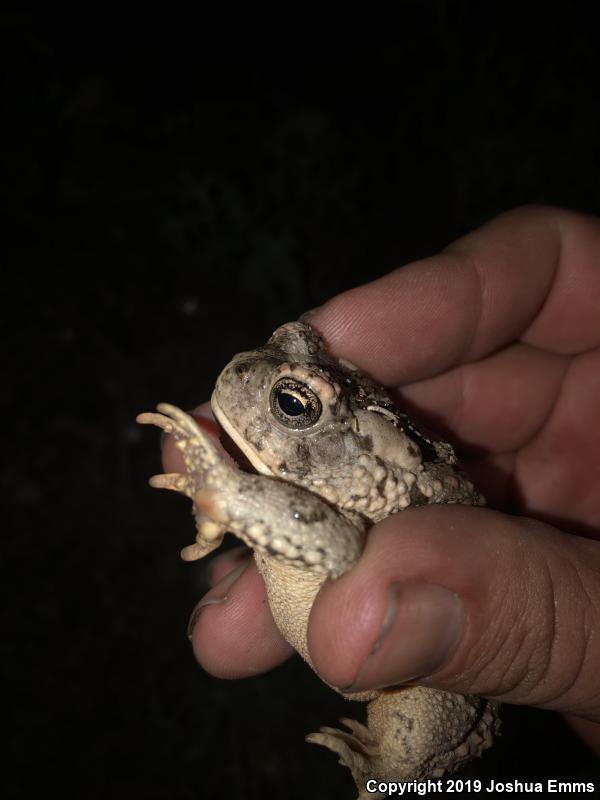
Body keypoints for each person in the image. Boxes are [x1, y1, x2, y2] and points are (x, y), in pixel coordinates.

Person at [164, 205, 600, 754]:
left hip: (423, 677)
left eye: (293, 403)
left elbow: (339, 542)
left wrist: (224, 493)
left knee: (399, 757)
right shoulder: (299, 481)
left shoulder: (331, 484)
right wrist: (224, 499)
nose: (243, 368)